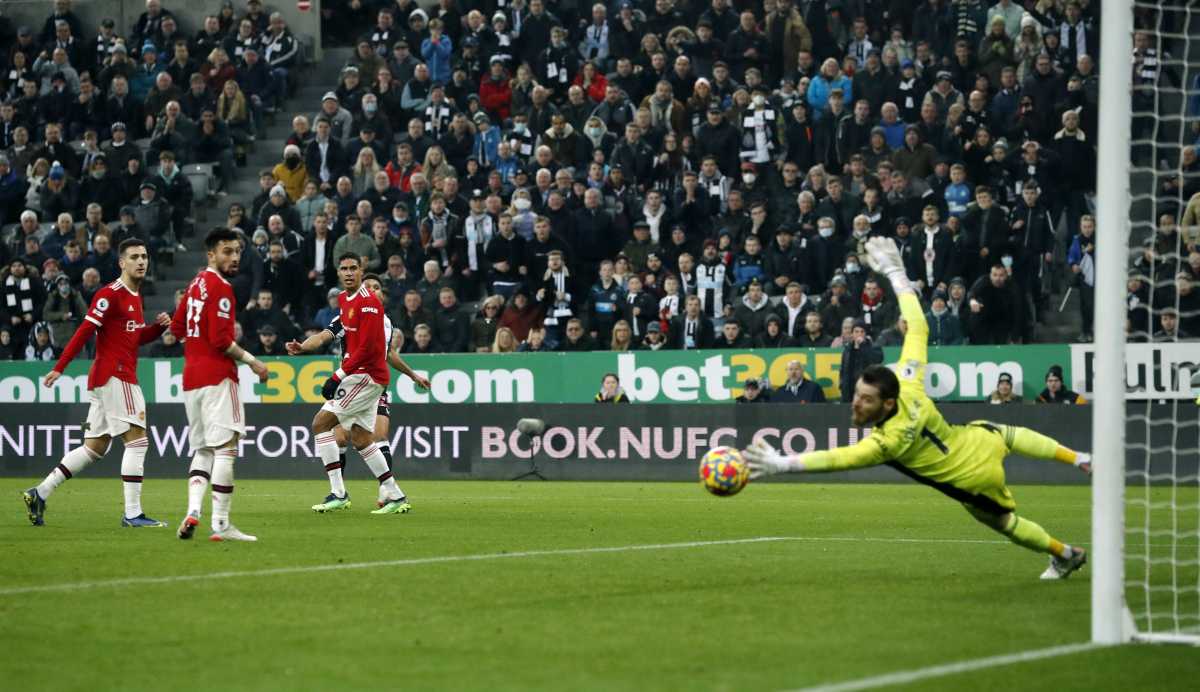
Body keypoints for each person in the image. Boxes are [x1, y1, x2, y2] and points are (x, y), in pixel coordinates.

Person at [744, 237, 1093, 580]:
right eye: (857, 395)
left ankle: (1064, 554)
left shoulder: (888, 442)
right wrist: (897, 275)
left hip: (970, 481)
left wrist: (782, 463)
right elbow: (919, 328)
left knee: (1004, 523)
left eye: (866, 399)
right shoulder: (908, 381)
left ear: (888, 403)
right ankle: (1079, 458)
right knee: (1005, 432)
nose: (857, 402)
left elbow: (837, 459)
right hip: (975, 440)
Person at [24, 239, 172, 528]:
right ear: (121, 263)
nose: (141, 261)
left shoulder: (134, 296)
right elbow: (85, 330)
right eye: (134, 257)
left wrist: (157, 328)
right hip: (116, 376)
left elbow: (134, 338)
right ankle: (132, 514)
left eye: (144, 256)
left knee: (94, 447)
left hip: (108, 377)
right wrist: (60, 367)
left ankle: (40, 492)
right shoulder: (110, 294)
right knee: (138, 441)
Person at [286, 273, 430, 512]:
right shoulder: (349, 313)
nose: (372, 291)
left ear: (382, 294)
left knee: (322, 424)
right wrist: (303, 346)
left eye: (377, 287)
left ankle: (339, 493)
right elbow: (324, 336)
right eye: (369, 287)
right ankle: (395, 495)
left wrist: (338, 377)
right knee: (360, 438)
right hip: (357, 378)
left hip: (362, 379)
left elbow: (383, 354)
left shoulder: (381, 320)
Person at [169, 228, 270, 542]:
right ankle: (222, 524)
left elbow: (175, 328)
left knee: (202, 450)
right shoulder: (222, 287)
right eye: (227, 251)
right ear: (210, 254)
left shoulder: (195, 283)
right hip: (217, 377)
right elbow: (221, 341)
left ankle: (193, 511)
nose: (235, 257)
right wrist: (253, 360)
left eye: (238, 251)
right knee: (226, 449)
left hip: (190, 379)